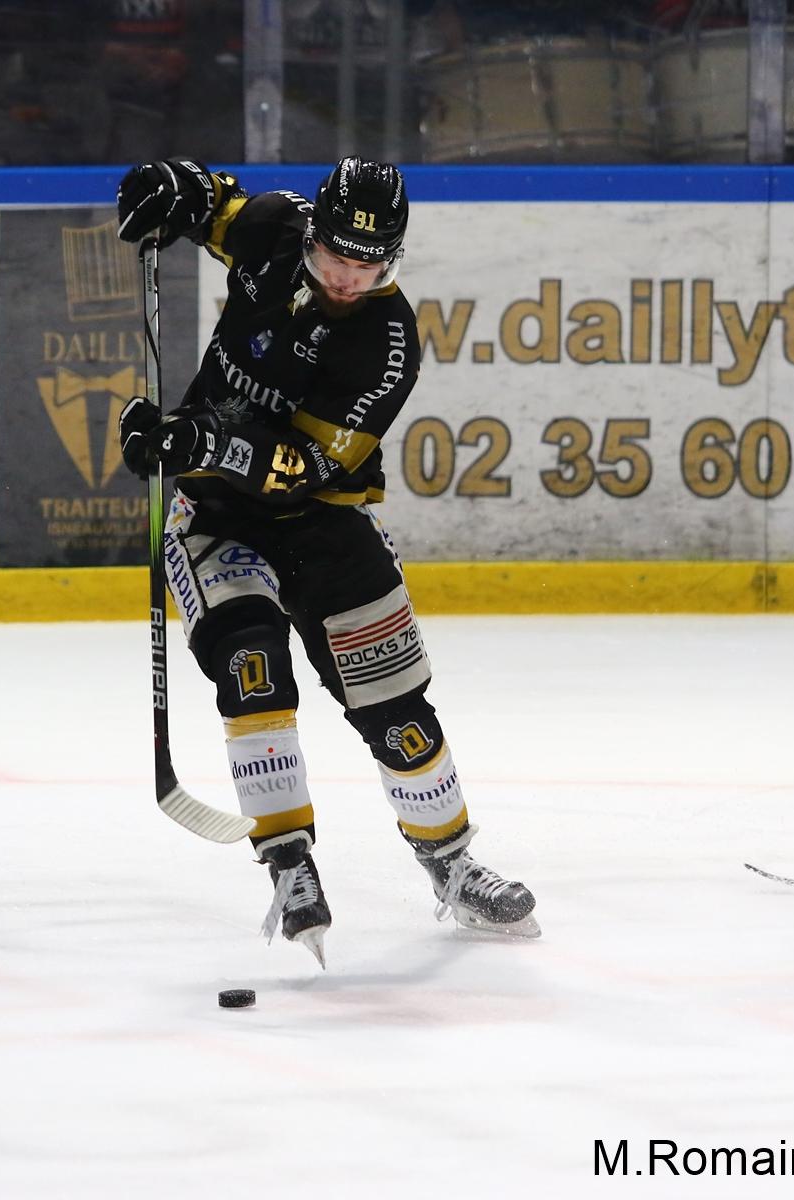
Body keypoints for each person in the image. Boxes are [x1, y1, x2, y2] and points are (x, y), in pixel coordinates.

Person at [112, 155, 539, 966]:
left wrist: (199, 438)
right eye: (337, 255)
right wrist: (177, 187)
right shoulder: (275, 228)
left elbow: (304, 468)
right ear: (311, 232)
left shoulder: (387, 344)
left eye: (369, 265)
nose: (348, 277)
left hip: (325, 518)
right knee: (252, 669)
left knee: (397, 713)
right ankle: (288, 860)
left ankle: (452, 862)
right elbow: (215, 206)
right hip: (215, 516)